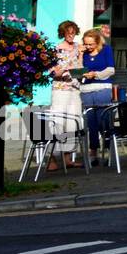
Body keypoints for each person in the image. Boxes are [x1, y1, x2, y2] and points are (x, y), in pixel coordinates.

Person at [48, 21, 84, 171]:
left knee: (72, 123)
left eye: (73, 32)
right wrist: (64, 69)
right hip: (61, 89)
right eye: (68, 32)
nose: (71, 35)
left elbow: (80, 67)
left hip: (74, 88)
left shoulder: (78, 47)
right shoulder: (56, 49)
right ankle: (51, 158)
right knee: (57, 122)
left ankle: (67, 158)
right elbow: (52, 72)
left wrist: (80, 60)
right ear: (62, 33)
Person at [78, 27, 117, 166]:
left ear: (97, 42)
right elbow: (78, 69)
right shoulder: (84, 53)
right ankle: (93, 154)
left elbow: (111, 69)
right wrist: (80, 55)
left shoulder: (106, 49)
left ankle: (108, 153)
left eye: (91, 44)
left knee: (103, 120)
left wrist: (96, 74)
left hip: (102, 88)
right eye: (86, 44)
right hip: (86, 90)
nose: (88, 47)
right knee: (91, 123)